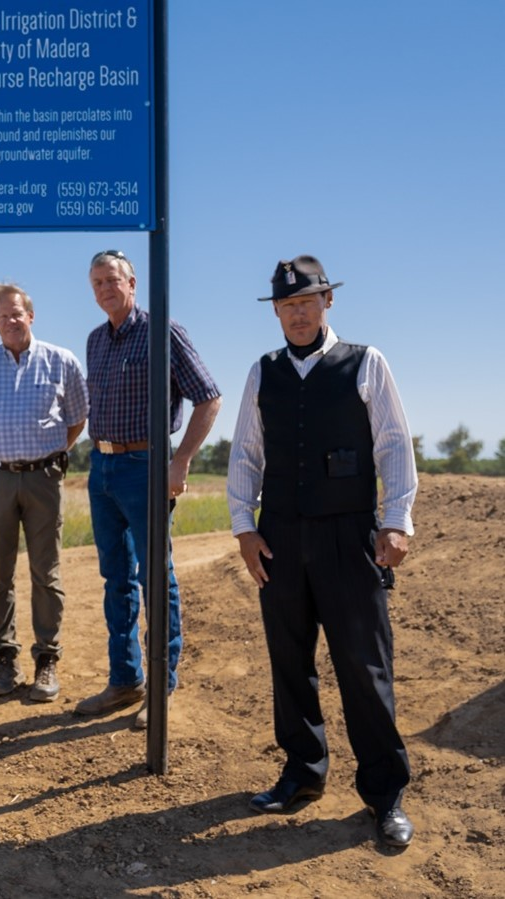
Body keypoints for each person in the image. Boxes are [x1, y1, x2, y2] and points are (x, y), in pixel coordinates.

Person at [228, 256, 418, 848]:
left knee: (364, 667)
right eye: (287, 306)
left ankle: (384, 795)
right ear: (277, 313)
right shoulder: (263, 373)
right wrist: (244, 527)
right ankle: (302, 775)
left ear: (327, 302)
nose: (298, 314)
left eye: (307, 302)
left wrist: (395, 522)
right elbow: (246, 455)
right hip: (280, 537)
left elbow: (393, 445)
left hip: (349, 535)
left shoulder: (366, 363)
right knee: (290, 663)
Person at [77, 250, 221, 729]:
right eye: (96, 282)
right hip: (103, 467)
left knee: (156, 575)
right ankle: (125, 678)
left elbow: (209, 397)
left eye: (112, 279)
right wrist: (95, 461)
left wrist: (180, 461)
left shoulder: (164, 331)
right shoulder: (96, 340)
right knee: (115, 577)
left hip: (147, 465)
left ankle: (162, 686)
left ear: (132, 282)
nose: (104, 289)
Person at [0, 283, 87, 702]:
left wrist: (47, 458)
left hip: (43, 479)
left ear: (30, 316)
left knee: (45, 573)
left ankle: (47, 658)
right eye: (3, 316)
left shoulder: (61, 361)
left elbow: (76, 420)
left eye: (17, 313)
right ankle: (4, 657)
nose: (11, 321)